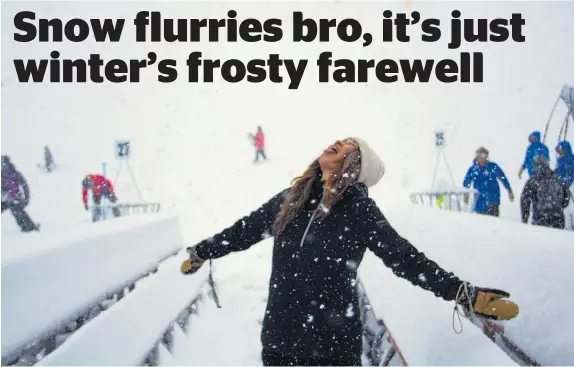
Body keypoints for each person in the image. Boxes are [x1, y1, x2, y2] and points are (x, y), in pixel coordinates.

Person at [181, 138, 519, 366]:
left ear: (355, 163)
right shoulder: (291, 199)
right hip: (279, 342)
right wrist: (201, 251)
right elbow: (244, 230)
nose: (338, 142)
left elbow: (404, 258)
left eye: (349, 145)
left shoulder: (359, 210)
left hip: (332, 348)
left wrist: (461, 292)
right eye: (340, 138)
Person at [521, 156, 571, 229]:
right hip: (557, 219)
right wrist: (560, 206)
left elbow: (525, 200)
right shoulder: (558, 179)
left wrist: (524, 219)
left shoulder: (532, 181)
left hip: (540, 219)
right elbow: (566, 196)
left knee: (542, 239)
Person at [463, 147, 514, 217]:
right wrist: (466, 193)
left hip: (493, 200)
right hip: (479, 202)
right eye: (480, 156)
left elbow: (503, 178)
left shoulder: (493, 166)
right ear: (477, 157)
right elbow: (467, 181)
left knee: (493, 222)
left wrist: (509, 189)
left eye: (484, 156)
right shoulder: (473, 169)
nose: (482, 159)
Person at [1, 155, 39, 232]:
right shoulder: (3, 174)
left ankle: (29, 227)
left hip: (15, 197)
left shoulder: (14, 173)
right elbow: (3, 186)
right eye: (1, 163)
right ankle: (28, 226)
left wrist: (26, 198)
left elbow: (24, 185)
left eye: (3, 163)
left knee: (18, 212)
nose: (2, 165)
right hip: (7, 197)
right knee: (17, 212)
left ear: (8, 163)